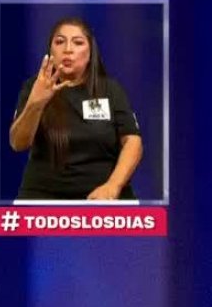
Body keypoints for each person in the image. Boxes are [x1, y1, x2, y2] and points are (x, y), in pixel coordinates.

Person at [8, 17, 143, 201]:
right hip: (44, 196)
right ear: (50, 50)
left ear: (90, 52)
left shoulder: (110, 89)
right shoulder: (34, 87)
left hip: (103, 195)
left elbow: (132, 142)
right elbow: (18, 143)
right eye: (60, 42)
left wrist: (113, 186)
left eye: (78, 42)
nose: (68, 49)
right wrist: (36, 103)